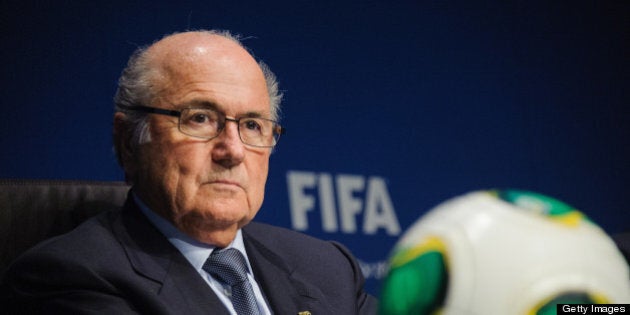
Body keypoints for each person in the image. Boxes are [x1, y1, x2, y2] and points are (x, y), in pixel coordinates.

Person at [1, 30, 378, 314]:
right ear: (129, 140)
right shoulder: (69, 277)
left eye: (251, 125)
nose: (232, 150)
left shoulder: (327, 267)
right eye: (199, 118)